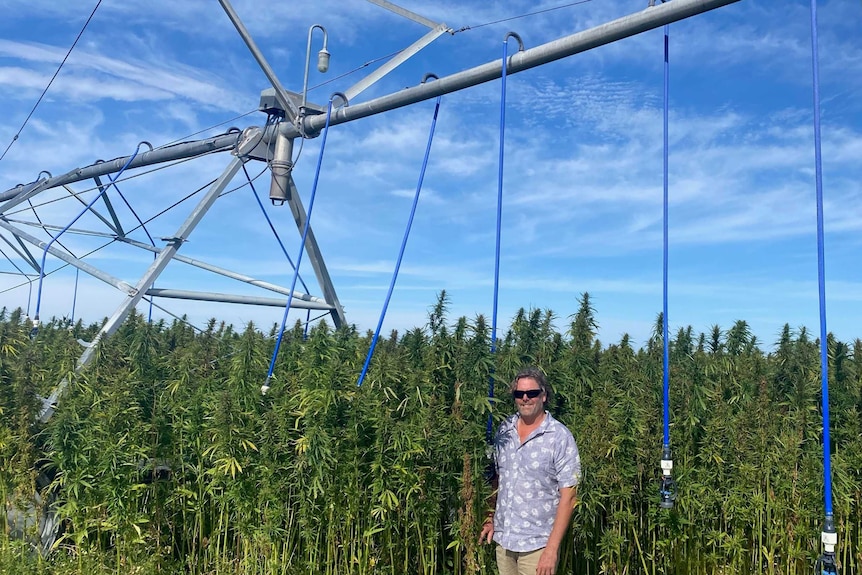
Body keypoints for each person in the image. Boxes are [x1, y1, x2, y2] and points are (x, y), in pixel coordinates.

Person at [479, 367, 581, 575]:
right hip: (504, 540)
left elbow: (569, 496)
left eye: (532, 393)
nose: (525, 398)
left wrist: (551, 550)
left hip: (538, 545)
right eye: (519, 394)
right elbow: (496, 479)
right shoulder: (504, 430)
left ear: (543, 396)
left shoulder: (559, 436)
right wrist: (490, 517)